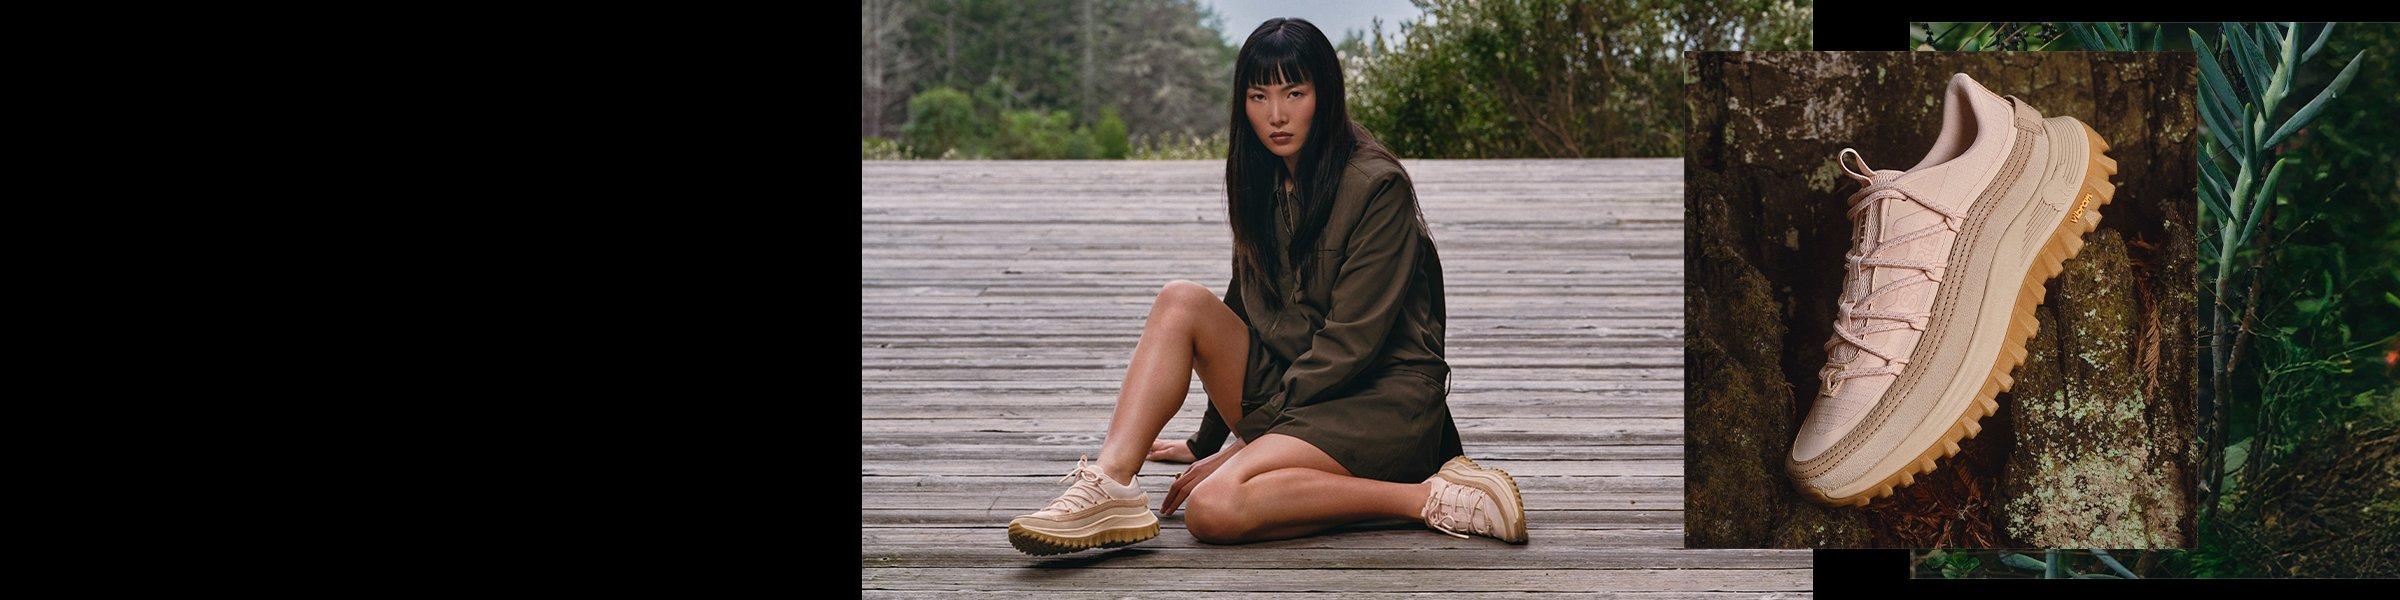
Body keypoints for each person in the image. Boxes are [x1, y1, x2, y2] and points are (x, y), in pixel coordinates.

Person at [1005, 17, 1525, 556]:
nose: (1276, 115)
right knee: (1181, 301)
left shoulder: (1377, 187)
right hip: (1300, 395)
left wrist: (1247, 443)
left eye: (1294, 93)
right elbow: (1242, 311)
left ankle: (1429, 497)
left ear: (1325, 95)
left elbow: (1352, 344)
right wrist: (1205, 441)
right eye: (1259, 97)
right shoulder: (1263, 178)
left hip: (1378, 403)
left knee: (1214, 506)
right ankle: (1111, 484)